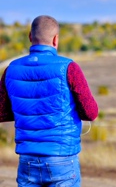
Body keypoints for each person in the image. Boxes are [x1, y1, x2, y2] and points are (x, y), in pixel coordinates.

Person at [0, 15, 98, 187]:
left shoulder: (10, 69)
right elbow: (91, 112)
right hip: (63, 159)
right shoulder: (69, 68)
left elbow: (2, 112)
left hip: (27, 160)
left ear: (30, 37)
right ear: (55, 39)